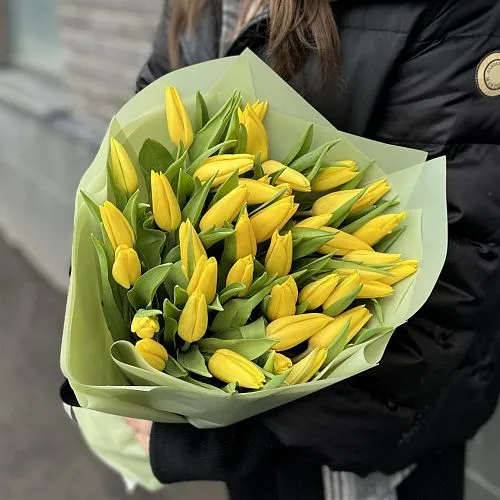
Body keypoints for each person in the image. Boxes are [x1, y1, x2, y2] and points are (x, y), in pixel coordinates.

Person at [129, 0, 500, 499]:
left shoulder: (450, 11)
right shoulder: (195, 6)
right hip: (243, 410)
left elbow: (453, 272)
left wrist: (227, 435)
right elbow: (132, 161)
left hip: (363, 441)